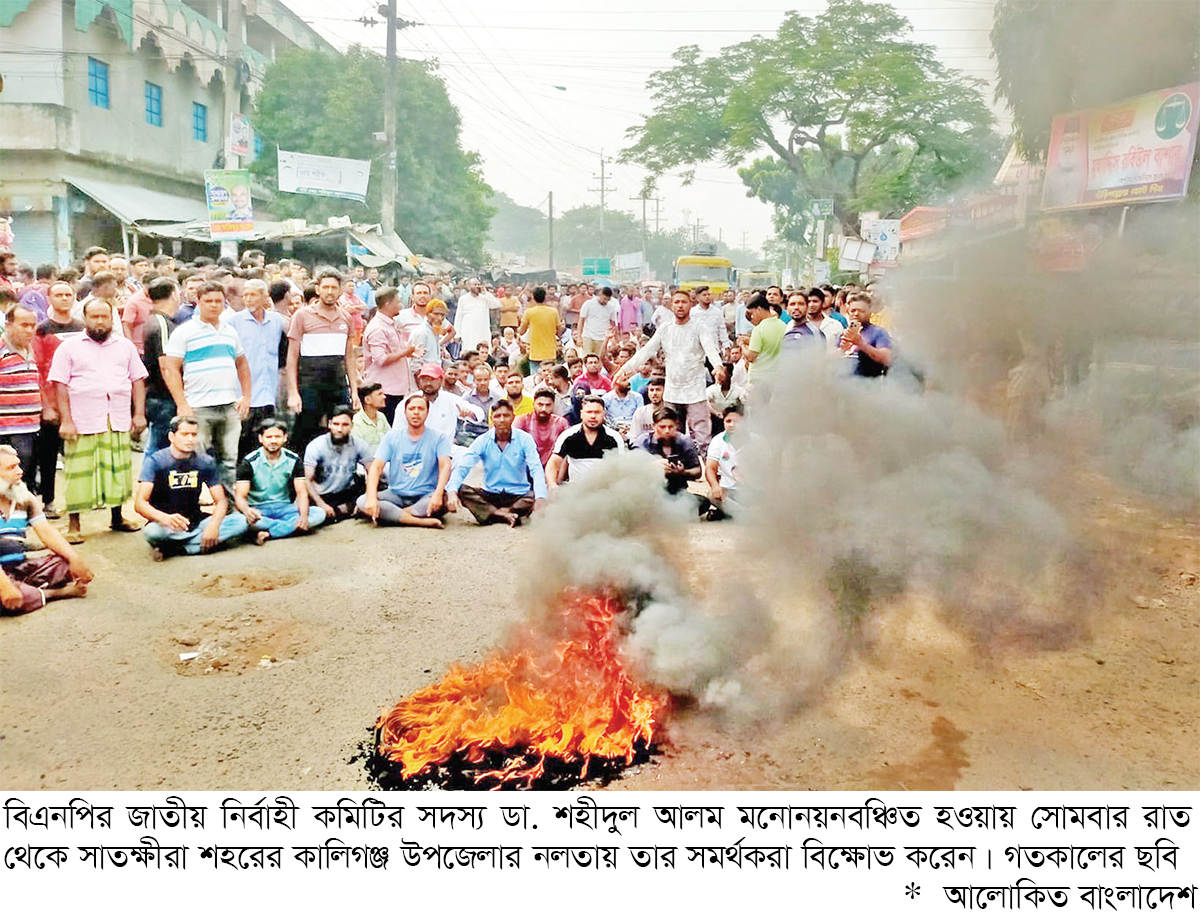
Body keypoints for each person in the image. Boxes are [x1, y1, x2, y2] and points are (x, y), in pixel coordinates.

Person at [48, 297, 147, 543]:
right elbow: (59, 384)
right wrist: (66, 420)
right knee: (79, 472)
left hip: (117, 417)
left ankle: (117, 517)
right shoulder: (68, 347)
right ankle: (74, 524)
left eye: (105, 316)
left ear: (112, 318)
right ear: (85, 318)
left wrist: (139, 413)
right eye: (95, 316)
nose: (100, 322)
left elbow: (138, 380)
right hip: (82, 420)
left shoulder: (125, 346)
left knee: (117, 469)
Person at [162, 282, 251, 488]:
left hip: (229, 407)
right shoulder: (184, 332)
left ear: (224, 303)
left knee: (229, 462)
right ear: (199, 302)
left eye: (218, 301)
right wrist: (182, 404)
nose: (213, 305)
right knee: (197, 461)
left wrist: (246, 396)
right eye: (208, 301)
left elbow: (242, 365)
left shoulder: (230, 331)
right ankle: (195, 507)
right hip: (198, 407)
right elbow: (171, 369)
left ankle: (228, 509)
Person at [615, 290, 722, 450]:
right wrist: (624, 370)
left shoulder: (700, 327)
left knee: (701, 437)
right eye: (676, 302)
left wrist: (718, 366)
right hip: (672, 392)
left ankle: (705, 470)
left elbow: (711, 349)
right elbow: (646, 351)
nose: (680, 305)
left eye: (684, 302)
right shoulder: (665, 328)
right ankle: (674, 470)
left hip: (695, 391)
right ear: (671, 306)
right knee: (671, 436)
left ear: (690, 305)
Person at [136, 414, 248, 557]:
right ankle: (201, 544)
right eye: (184, 434)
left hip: (196, 520)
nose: (190, 439)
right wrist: (164, 518)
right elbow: (140, 503)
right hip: (167, 525)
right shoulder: (155, 462)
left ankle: (178, 548)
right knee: (152, 532)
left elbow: (221, 501)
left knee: (240, 521)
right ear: (172, 436)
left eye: (194, 435)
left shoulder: (205, 462)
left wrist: (213, 526)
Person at [0, 443, 92, 613]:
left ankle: (25, 591)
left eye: (19, 465)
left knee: (63, 563)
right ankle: (55, 593)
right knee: (9, 592)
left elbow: (46, 531)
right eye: (11, 468)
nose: (20, 471)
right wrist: (4, 584)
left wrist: (74, 558)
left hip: (18, 568)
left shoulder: (25, 498)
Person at [286, 268, 359, 453]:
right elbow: (292, 357)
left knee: (341, 431)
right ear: (317, 289)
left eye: (334, 288)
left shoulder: (346, 317)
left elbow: (350, 357)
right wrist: (293, 392)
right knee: (306, 434)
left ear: (340, 290)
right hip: (310, 385)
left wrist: (355, 392)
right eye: (325, 287)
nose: (329, 292)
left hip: (337, 385)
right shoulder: (302, 316)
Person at [357, 392, 451, 528]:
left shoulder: (439, 438)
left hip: (425, 495)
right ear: (405, 413)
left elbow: (445, 466)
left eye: (421, 409)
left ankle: (393, 516)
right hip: (396, 494)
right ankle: (419, 520)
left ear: (427, 412)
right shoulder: (391, 437)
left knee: (442, 501)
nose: (416, 413)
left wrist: (438, 494)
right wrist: (371, 498)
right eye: (412, 409)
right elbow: (376, 467)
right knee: (362, 501)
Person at [447, 398, 546, 527]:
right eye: (497, 416)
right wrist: (452, 492)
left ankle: (494, 514)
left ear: (513, 417)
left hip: (519, 495)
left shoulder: (525, 439)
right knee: (459, 488)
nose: (502, 420)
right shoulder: (483, 440)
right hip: (491, 495)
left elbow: (536, 468)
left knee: (536, 495)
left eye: (506, 415)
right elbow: (463, 467)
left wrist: (540, 498)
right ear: (492, 419)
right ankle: (504, 514)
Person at [32, 281, 84, 515]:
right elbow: (39, 369)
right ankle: (48, 501)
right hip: (52, 403)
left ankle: (81, 500)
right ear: (50, 299)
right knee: (48, 456)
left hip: (80, 401)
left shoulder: (83, 327)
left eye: (68, 294)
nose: (64, 298)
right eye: (59, 295)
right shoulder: (42, 329)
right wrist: (46, 406)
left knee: (79, 455)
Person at [234, 417, 324, 545]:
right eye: (269, 437)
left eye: (277, 437)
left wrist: (303, 517)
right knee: (243, 520)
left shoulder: (294, 459)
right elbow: (240, 496)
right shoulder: (249, 462)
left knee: (318, 513)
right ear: (261, 438)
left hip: (285, 508)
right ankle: (287, 528)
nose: (273, 441)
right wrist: (248, 511)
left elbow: (301, 492)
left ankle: (269, 533)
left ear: (285, 438)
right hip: (259, 511)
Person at [227, 278, 286, 460]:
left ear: (265, 297)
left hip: (269, 395)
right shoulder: (233, 322)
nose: (248, 299)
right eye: (245, 295)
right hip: (243, 395)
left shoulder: (277, 321)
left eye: (252, 295)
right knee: (242, 443)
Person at [303, 406, 374, 522]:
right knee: (314, 513)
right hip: (321, 494)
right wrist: (322, 504)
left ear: (352, 426)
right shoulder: (316, 446)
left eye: (345, 425)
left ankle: (344, 510)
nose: (339, 429)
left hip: (345, 492)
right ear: (329, 424)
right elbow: (307, 480)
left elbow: (373, 472)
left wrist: (368, 498)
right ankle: (341, 511)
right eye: (336, 424)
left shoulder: (359, 444)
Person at [362, 286, 418, 424]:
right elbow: (380, 359)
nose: (401, 305)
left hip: (396, 389)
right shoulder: (377, 328)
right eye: (398, 302)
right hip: (385, 390)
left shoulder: (390, 324)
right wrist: (406, 352)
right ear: (388, 304)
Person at [0, 306, 43, 485]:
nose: (29, 330)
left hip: (30, 427)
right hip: (8, 429)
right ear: (8, 325)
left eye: (32, 325)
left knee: (26, 480)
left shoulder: (29, 350)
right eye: (24, 325)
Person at [545, 394, 625, 491]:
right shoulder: (568, 436)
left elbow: (621, 468)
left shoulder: (614, 437)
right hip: (576, 490)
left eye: (597, 412)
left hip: (605, 491)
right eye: (589, 412)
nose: (593, 416)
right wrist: (552, 485)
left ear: (604, 414)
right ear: (581, 414)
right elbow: (553, 463)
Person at [139, 278, 181, 456]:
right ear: (173, 295)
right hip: (163, 396)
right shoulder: (161, 324)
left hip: (160, 395)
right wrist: (180, 399)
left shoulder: (154, 320)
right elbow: (166, 364)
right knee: (160, 446)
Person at [635, 405, 703, 496]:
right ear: (654, 426)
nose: (667, 431)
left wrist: (682, 472)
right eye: (662, 427)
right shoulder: (643, 441)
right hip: (648, 492)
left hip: (677, 491)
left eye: (670, 427)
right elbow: (633, 469)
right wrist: (652, 466)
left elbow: (697, 471)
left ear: (676, 426)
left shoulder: (684, 441)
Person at [840, 293, 893, 378]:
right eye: (853, 310)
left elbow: (887, 359)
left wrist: (860, 344)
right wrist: (842, 350)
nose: (856, 314)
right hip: (845, 385)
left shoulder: (878, 332)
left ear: (870, 312)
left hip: (868, 386)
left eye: (861, 311)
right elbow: (828, 359)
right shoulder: (844, 333)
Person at [704, 403, 743, 519]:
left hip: (751, 491)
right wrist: (715, 486)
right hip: (728, 490)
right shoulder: (717, 441)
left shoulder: (757, 441)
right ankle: (746, 516)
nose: (732, 425)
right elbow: (710, 467)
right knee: (712, 495)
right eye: (728, 421)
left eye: (737, 422)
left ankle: (729, 513)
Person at [514, 388, 569, 468]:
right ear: (533, 404)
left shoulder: (561, 423)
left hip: (553, 469)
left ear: (553, 405)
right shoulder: (522, 421)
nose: (544, 409)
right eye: (540, 404)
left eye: (548, 405)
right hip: (525, 469)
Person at [517, 286, 563, 372]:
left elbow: (521, 331)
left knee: (535, 378)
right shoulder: (553, 312)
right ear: (545, 297)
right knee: (551, 377)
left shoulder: (529, 312)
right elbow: (559, 330)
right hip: (550, 352)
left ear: (533, 298)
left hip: (535, 353)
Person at [745, 291, 788, 379]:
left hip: (760, 378)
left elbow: (751, 356)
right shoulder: (783, 326)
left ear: (759, 309)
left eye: (752, 314)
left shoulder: (759, 329)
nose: (752, 317)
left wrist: (742, 345)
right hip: (777, 376)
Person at [454, 278, 496, 352]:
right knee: (469, 350)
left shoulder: (485, 298)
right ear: (469, 286)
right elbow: (459, 317)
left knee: (483, 349)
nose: (477, 286)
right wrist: (457, 334)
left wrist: (486, 293)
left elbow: (496, 305)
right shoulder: (463, 299)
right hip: (468, 330)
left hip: (482, 330)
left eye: (478, 284)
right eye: (475, 284)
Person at [688, 286, 731, 355]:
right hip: (696, 352)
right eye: (704, 295)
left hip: (714, 350)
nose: (707, 297)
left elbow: (722, 330)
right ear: (698, 297)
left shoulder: (717, 312)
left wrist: (727, 347)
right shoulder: (692, 312)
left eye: (708, 294)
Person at [576, 286, 616, 356]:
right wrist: (579, 336)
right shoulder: (588, 304)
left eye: (608, 299)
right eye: (604, 299)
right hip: (588, 336)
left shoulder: (611, 307)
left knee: (599, 358)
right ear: (600, 295)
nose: (605, 301)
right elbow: (581, 321)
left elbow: (613, 324)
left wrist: (613, 338)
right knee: (586, 357)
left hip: (602, 338)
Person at [352, 383, 391, 450]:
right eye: (379, 394)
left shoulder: (381, 417)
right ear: (367, 400)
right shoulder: (356, 422)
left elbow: (391, 439)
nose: (384, 397)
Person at [629, 375, 665, 444]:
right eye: (651, 390)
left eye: (658, 390)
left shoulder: (671, 411)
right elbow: (634, 438)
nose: (654, 393)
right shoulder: (640, 412)